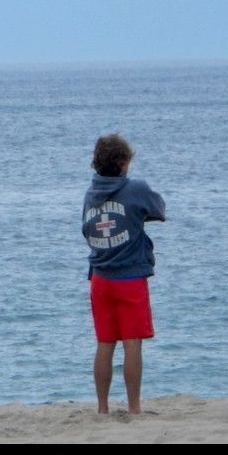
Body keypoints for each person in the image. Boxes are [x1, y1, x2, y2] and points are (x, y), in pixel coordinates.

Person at [82, 134, 166, 415]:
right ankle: (134, 408)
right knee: (132, 344)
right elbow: (158, 209)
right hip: (129, 278)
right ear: (122, 163)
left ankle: (102, 409)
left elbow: (87, 230)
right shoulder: (136, 189)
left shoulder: (89, 195)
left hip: (100, 278)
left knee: (104, 343)